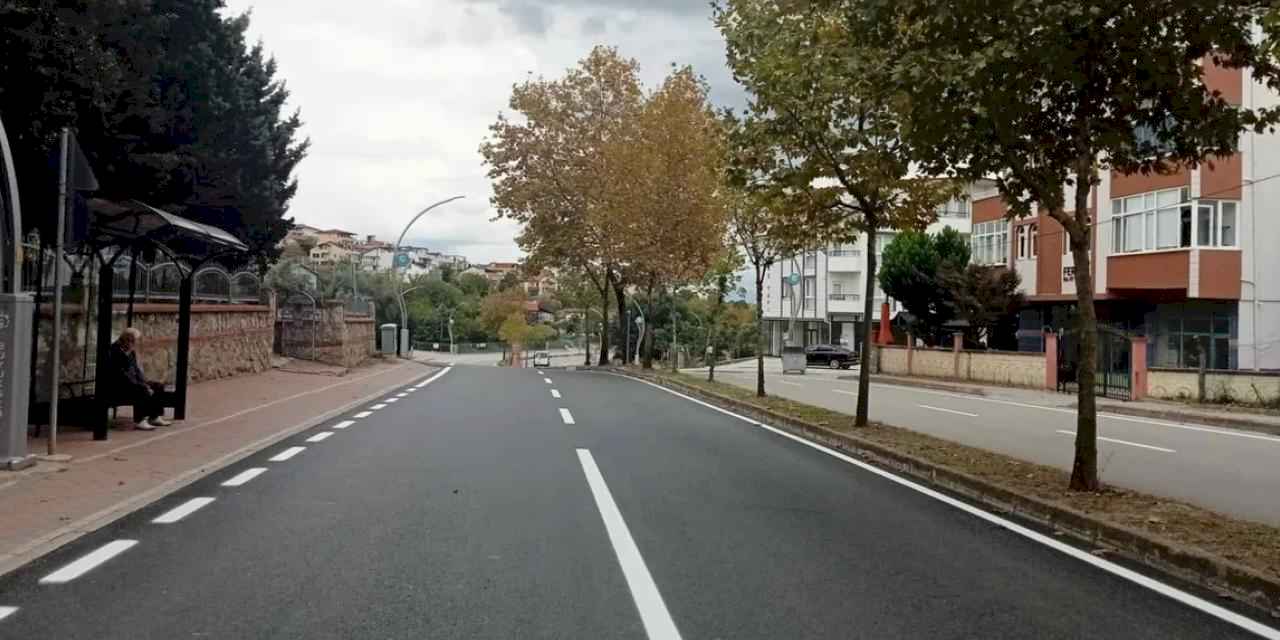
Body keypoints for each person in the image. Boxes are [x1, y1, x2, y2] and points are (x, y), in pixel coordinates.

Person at [105, 327, 171, 430]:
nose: (135, 344)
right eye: (134, 342)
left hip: (131, 383)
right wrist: (143, 386)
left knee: (158, 386)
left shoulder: (130, 351)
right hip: (118, 386)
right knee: (141, 389)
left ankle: (155, 417)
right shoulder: (113, 351)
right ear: (127, 340)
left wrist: (145, 382)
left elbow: (136, 370)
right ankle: (140, 420)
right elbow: (121, 375)